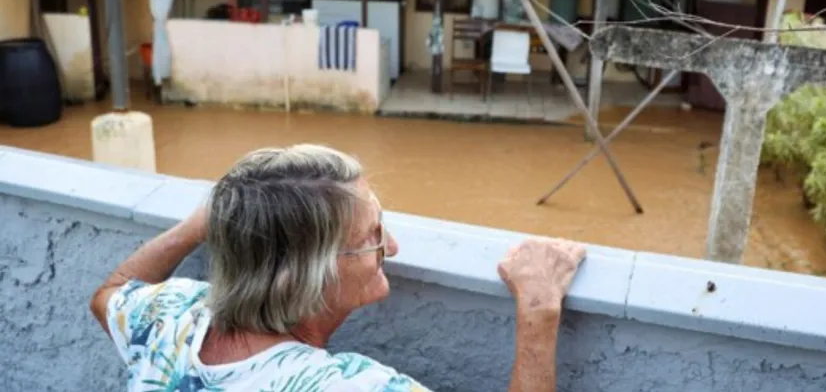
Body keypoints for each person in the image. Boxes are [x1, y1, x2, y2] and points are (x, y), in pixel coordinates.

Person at [89, 144, 586, 391]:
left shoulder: (174, 319)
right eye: (371, 237)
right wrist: (539, 309)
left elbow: (108, 293)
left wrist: (198, 225)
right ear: (309, 274)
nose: (390, 246)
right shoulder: (342, 387)